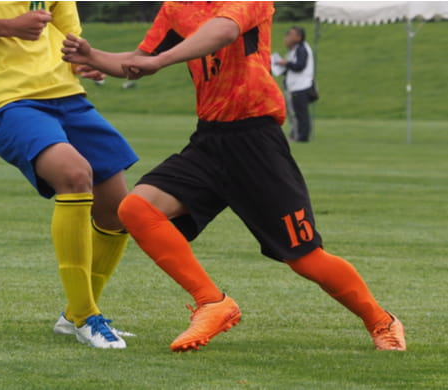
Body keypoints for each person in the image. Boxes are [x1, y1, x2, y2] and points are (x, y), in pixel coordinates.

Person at [62, 1, 406, 352]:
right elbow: (140, 60)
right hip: (210, 141)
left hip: (256, 141)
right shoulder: (176, 8)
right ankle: (212, 303)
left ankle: (382, 322)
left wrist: (160, 60)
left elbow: (222, 31)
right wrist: (94, 56)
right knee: (135, 208)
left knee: (305, 258)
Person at [0, 1, 138, 349]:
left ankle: (73, 317)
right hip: (10, 102)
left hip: (69, 98)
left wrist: (85, 61)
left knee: (118, 209)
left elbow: (68, 36)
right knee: (74, 174)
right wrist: (11, 25)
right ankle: (88, 316)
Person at [276, 26, 315, 142]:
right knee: (298, 113)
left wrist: (286, 63)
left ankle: (301, 137)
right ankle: (297, 134)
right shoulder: (295, 49)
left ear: (299, 37)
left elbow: (300, 66)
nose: (288, 36)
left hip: (301, 86)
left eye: (291, 34)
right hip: (296, 86)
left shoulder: (302, 49)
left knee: (300, 114)